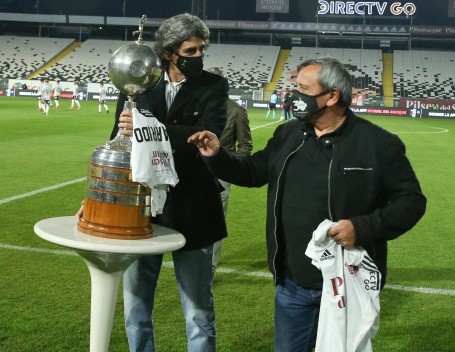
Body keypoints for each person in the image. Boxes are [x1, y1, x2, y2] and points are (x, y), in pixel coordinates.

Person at [188, 57, 427, 352]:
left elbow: (412, 202)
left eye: (303, 89)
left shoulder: (378, 144)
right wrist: (216, 156)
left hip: (346, 283)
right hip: (293, 283)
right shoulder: (287, 135)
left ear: (332, 96)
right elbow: (253, 172)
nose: (294, 95)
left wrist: (363, 227)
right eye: (294, 87)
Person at [77, 13, 229, 352]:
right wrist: (93, 198)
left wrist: (151, 129)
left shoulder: (214, 86)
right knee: (135, 307)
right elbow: (119, 141)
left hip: (194, 209)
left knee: (198, 313)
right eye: (191, 51)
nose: (199, 57)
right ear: (169, 52)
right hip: (139, 209)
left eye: (202, 49)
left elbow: (205, 137)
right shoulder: (138, 82)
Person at [206, 66, 253, 275]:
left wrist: (230, 167)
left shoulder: (236, 111)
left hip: (221, 177)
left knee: (215, 221)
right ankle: (194, 262)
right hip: (193, 173)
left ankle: (209, 268)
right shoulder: (194, 107)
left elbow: (245, 146)